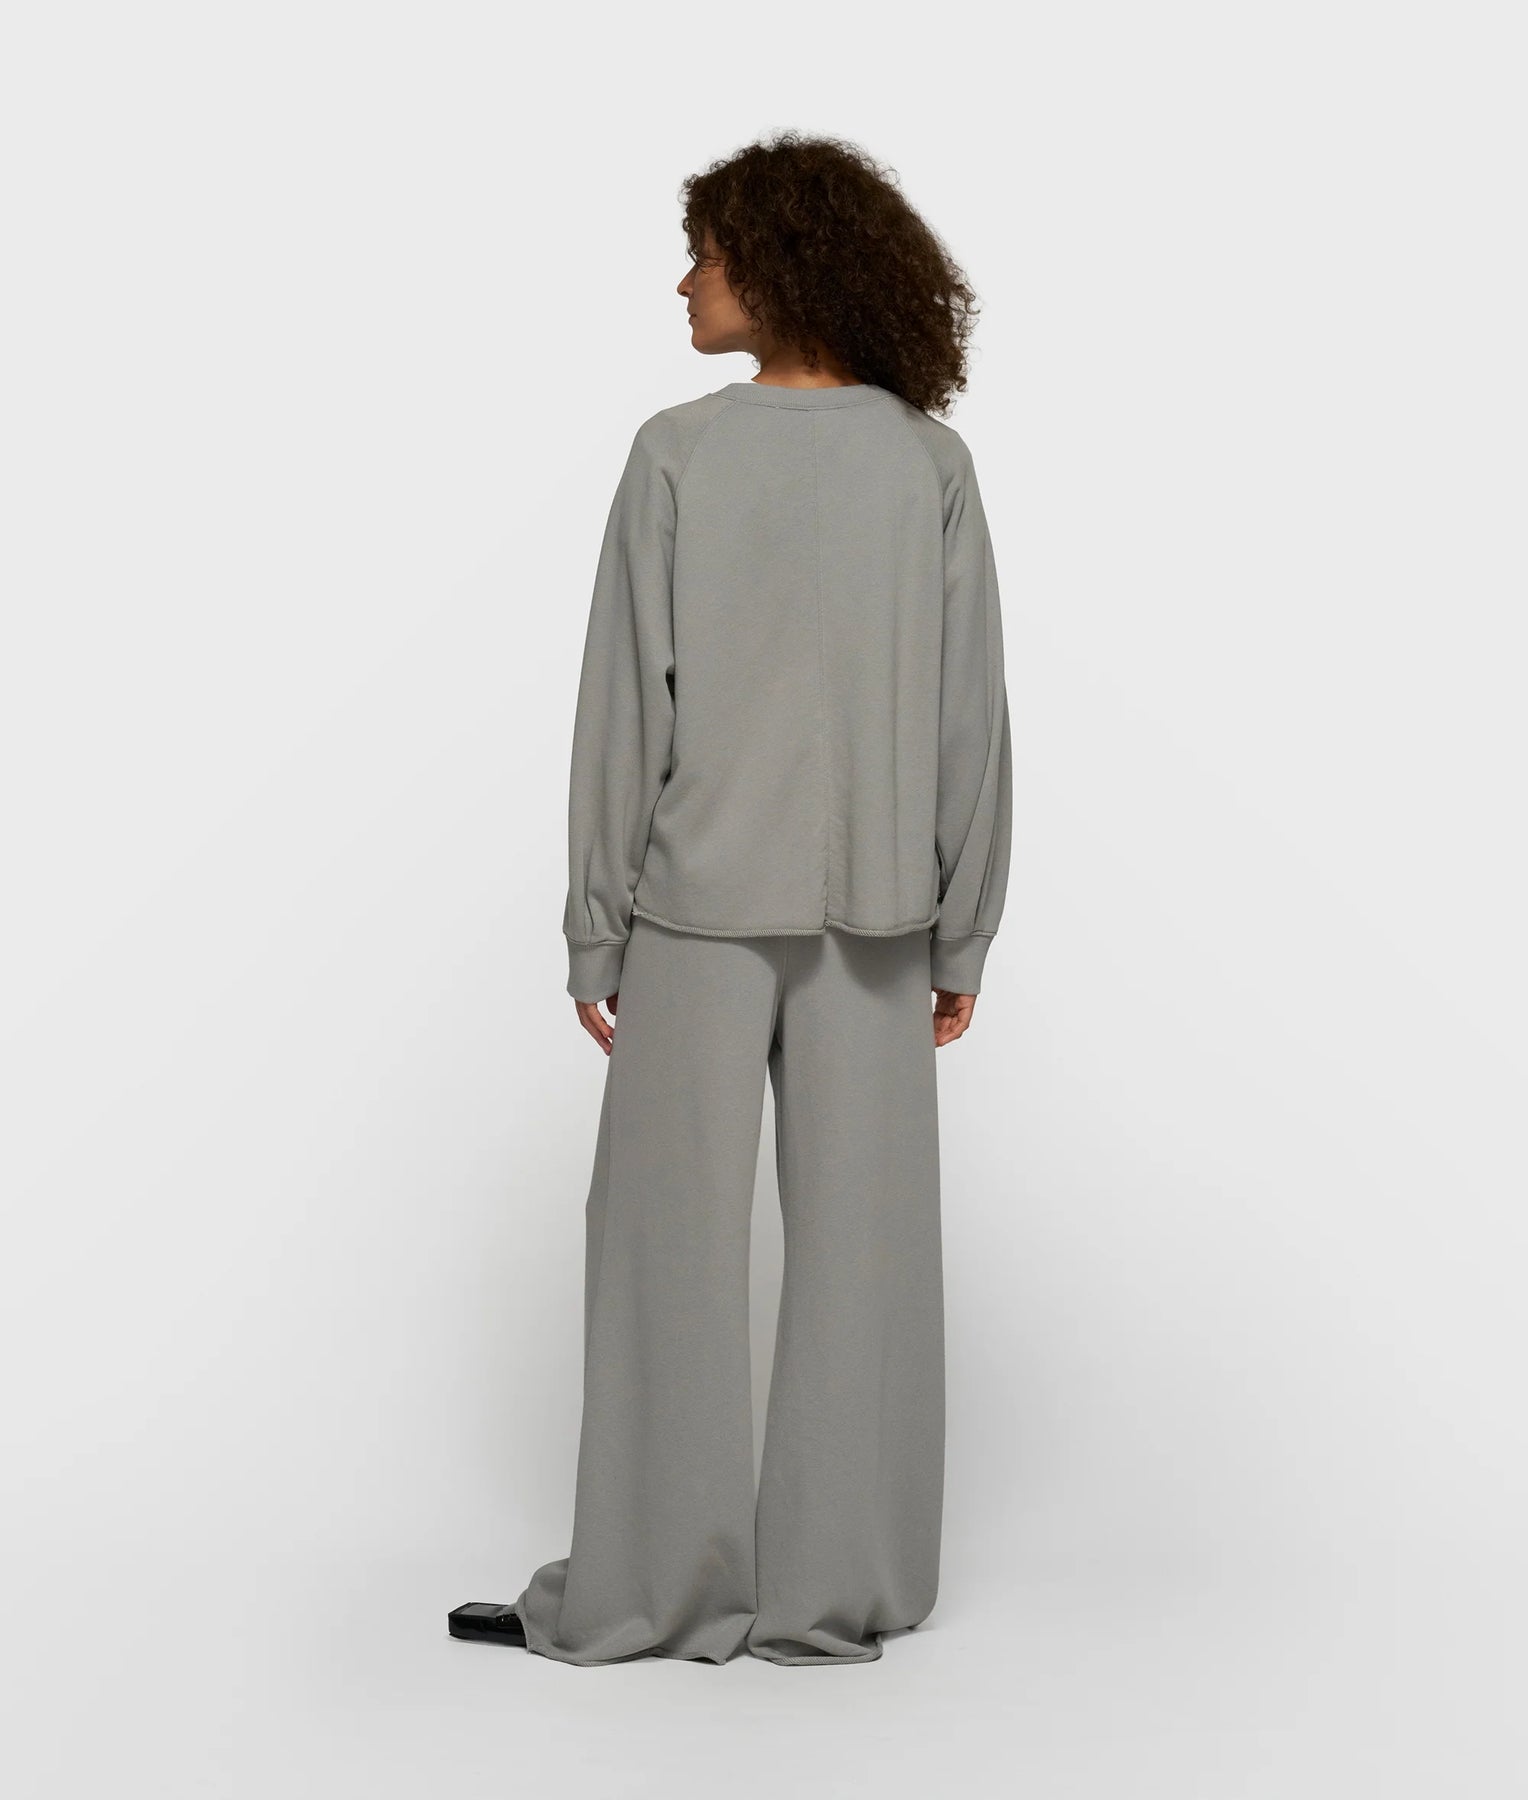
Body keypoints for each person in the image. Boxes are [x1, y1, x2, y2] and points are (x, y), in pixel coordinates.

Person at [494, 131, 1010, 1666]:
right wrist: (966, 922)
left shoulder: (679, 454)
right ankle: (839, 1593)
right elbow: (971, 722)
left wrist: (597, 925)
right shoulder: (926, 465)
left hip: (695, 913)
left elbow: (623, 712)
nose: (683, 282)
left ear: (778, 267)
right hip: (880, 918)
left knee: (663, 1249)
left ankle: (655, 1589)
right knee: (865, 1259)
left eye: (706, 255)